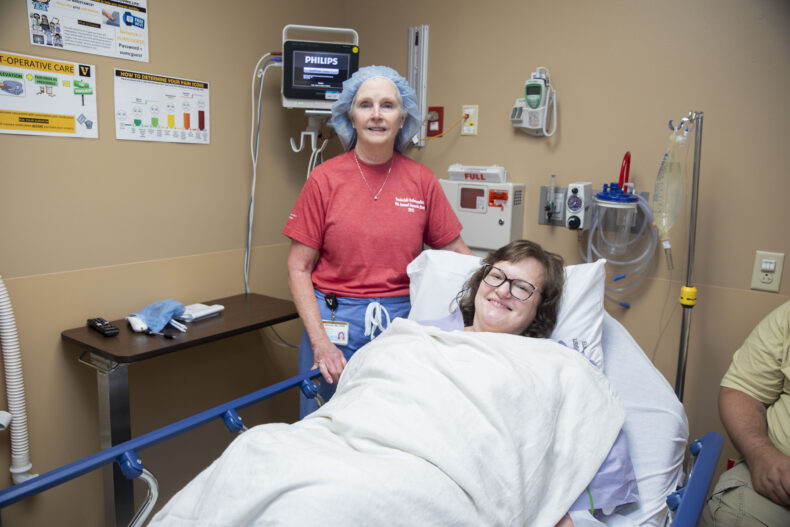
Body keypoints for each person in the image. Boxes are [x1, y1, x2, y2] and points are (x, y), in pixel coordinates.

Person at [150, 239, 627, 526]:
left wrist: (552, 502)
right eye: (498, 276)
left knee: (326, 507)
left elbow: (554, 441)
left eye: (522, 287)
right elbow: (364, 388)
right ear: (480, 280)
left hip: (431, 468)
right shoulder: (414, 336)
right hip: (345, 439)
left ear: (539, 308)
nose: (503, 290)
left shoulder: (548, 363)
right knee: (254, 452)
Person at [283, 65, 472, 417]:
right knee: (323, 432)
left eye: (387, 105)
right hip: (333, 326)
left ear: (403, 119)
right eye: (366, 105)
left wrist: (503, 280)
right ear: (350, 117)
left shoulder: (421, 180)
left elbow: (457, 253)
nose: (376, 115)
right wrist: (320, 343)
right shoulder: (324, 179)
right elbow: (298, 266)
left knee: (391, 427)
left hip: (401, 326)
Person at [700, 300, 790, 527]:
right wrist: (762, 455)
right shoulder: (787, 317)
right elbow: (743, 390)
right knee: (732, 515)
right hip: (778, 477)